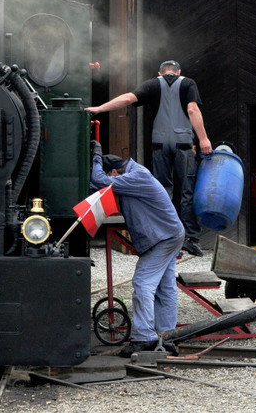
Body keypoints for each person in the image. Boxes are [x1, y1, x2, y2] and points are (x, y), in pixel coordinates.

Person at [86, 59, 211, 256]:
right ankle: (191, 239)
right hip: (184, 145)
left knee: (163, 190)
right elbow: (192, 109)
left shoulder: (153, 84)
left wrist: (99, 108)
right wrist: (203, 139)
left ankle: (166, 235)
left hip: (159, 145)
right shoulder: (188, 83)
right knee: (187, 191)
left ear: (160, 73)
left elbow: (128, 98)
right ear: (178, 71)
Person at [90, 142, 183, 357]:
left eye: (110, 175)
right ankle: (167, 334)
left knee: (143, 283)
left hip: (164, 237)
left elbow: (99, 181)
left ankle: (144, 337)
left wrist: (96, 156)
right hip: (169, 233)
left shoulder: (138, 176)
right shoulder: (134, 174)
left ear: (114, 173)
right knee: (165, 287)